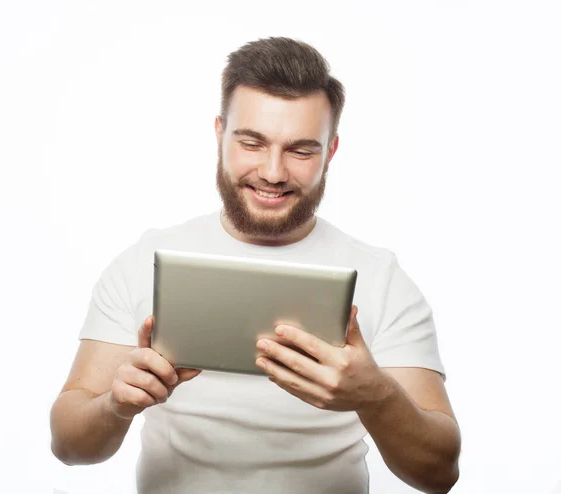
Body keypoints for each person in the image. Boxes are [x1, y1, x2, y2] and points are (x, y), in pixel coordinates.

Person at [50, 37, 461, 494]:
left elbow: (439, 474)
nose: (273, 172)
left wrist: (375, 396)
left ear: (332, 151)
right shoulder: (143, 262)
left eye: (301, 150)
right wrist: (117, 405)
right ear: (219, 134)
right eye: (252, 142)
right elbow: (68, 446)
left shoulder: (383, 281)